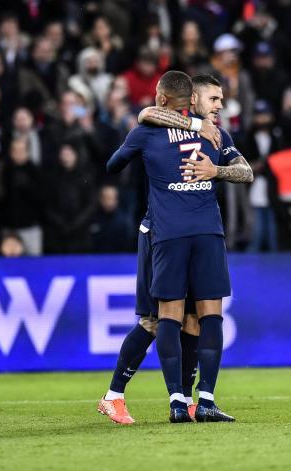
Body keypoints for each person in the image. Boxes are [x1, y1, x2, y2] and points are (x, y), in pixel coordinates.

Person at [106, 72, 252, 424]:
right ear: (193, 99)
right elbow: (147, 113)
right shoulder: (175, 125)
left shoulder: (213, 134)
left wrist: (214, 169)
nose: (220, 105)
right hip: (158, 232)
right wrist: (194, 123)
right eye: (214, 99)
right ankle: (117, 395)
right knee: (155, 319)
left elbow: (246, 172)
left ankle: (190, 400)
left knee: (192, 320)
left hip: (194, 233)